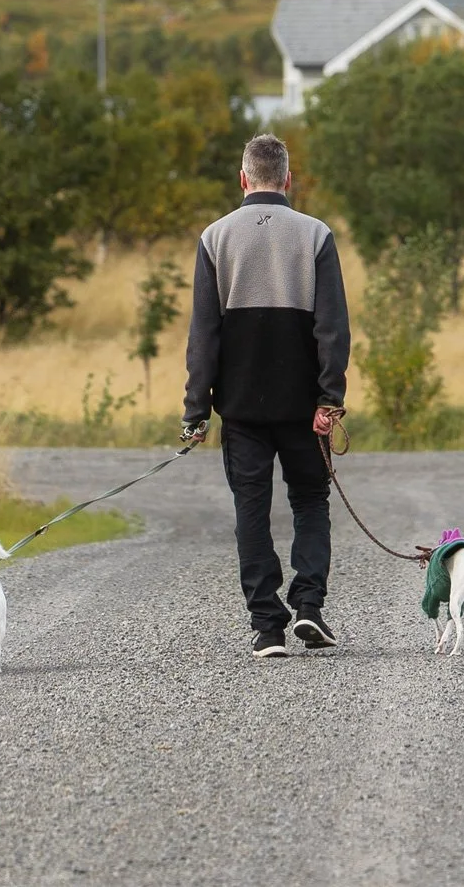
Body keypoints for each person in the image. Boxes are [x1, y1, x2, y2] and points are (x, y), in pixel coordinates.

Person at [182, 132, 349, 658]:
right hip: (304, 408)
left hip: (241, 408)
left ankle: (267, 627)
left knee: (250, 509)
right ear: (288, 180)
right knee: (310, 500)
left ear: (243, 178)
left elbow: (203, 336)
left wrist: (195, 412)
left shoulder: (215, 238)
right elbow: (332, 329)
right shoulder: (316, 235)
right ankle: (309, 607)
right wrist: (329, 399)